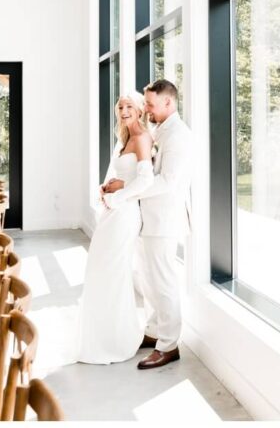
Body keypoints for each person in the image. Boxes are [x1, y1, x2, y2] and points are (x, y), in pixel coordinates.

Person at [102, 78, 191, 370]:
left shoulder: (177, 135)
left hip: (163, 221)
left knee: (163, 282)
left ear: (169, 102)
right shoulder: (158, 130)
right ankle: (154, 331)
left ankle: (169, 346)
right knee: (148, 281)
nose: (146, 108)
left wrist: (125, 191)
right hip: (145, 219)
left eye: (150, 104)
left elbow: (167, 181)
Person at [76, 92, 152, 364]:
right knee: (99, 269)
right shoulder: (125, 139)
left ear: (140, 109)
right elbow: (121, 177)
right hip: (113, 212)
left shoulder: (142, 138)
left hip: (125, 214)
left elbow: (145, 180)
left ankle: (116, 340)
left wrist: (117, 197)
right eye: (120, 106)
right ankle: (100, 334)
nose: (123, 110)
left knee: (114, 271)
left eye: (129, 105)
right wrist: (106, 187)